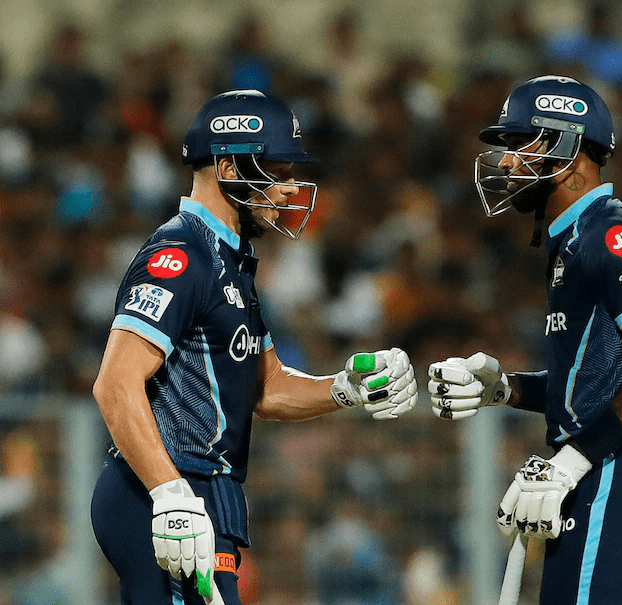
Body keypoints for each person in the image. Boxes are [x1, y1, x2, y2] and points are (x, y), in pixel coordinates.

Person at [90, 89, 418, 605]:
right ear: (227, 167)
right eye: (276, 172)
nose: (289, 189)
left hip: (198, 491)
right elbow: (114, 383)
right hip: (163, 490)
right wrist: (169, 493)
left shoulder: (229, 260)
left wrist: (344, 388)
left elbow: (265, 388)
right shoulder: (182, 255)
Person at [428, 75, 622, 604]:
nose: (505, 163)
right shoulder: (577, 237)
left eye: (518, 144)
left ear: (565, 146)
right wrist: (505, 389)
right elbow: (593, 380)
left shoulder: (608, 233)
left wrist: (573, 460)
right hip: (611, 465)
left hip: (614, 466)